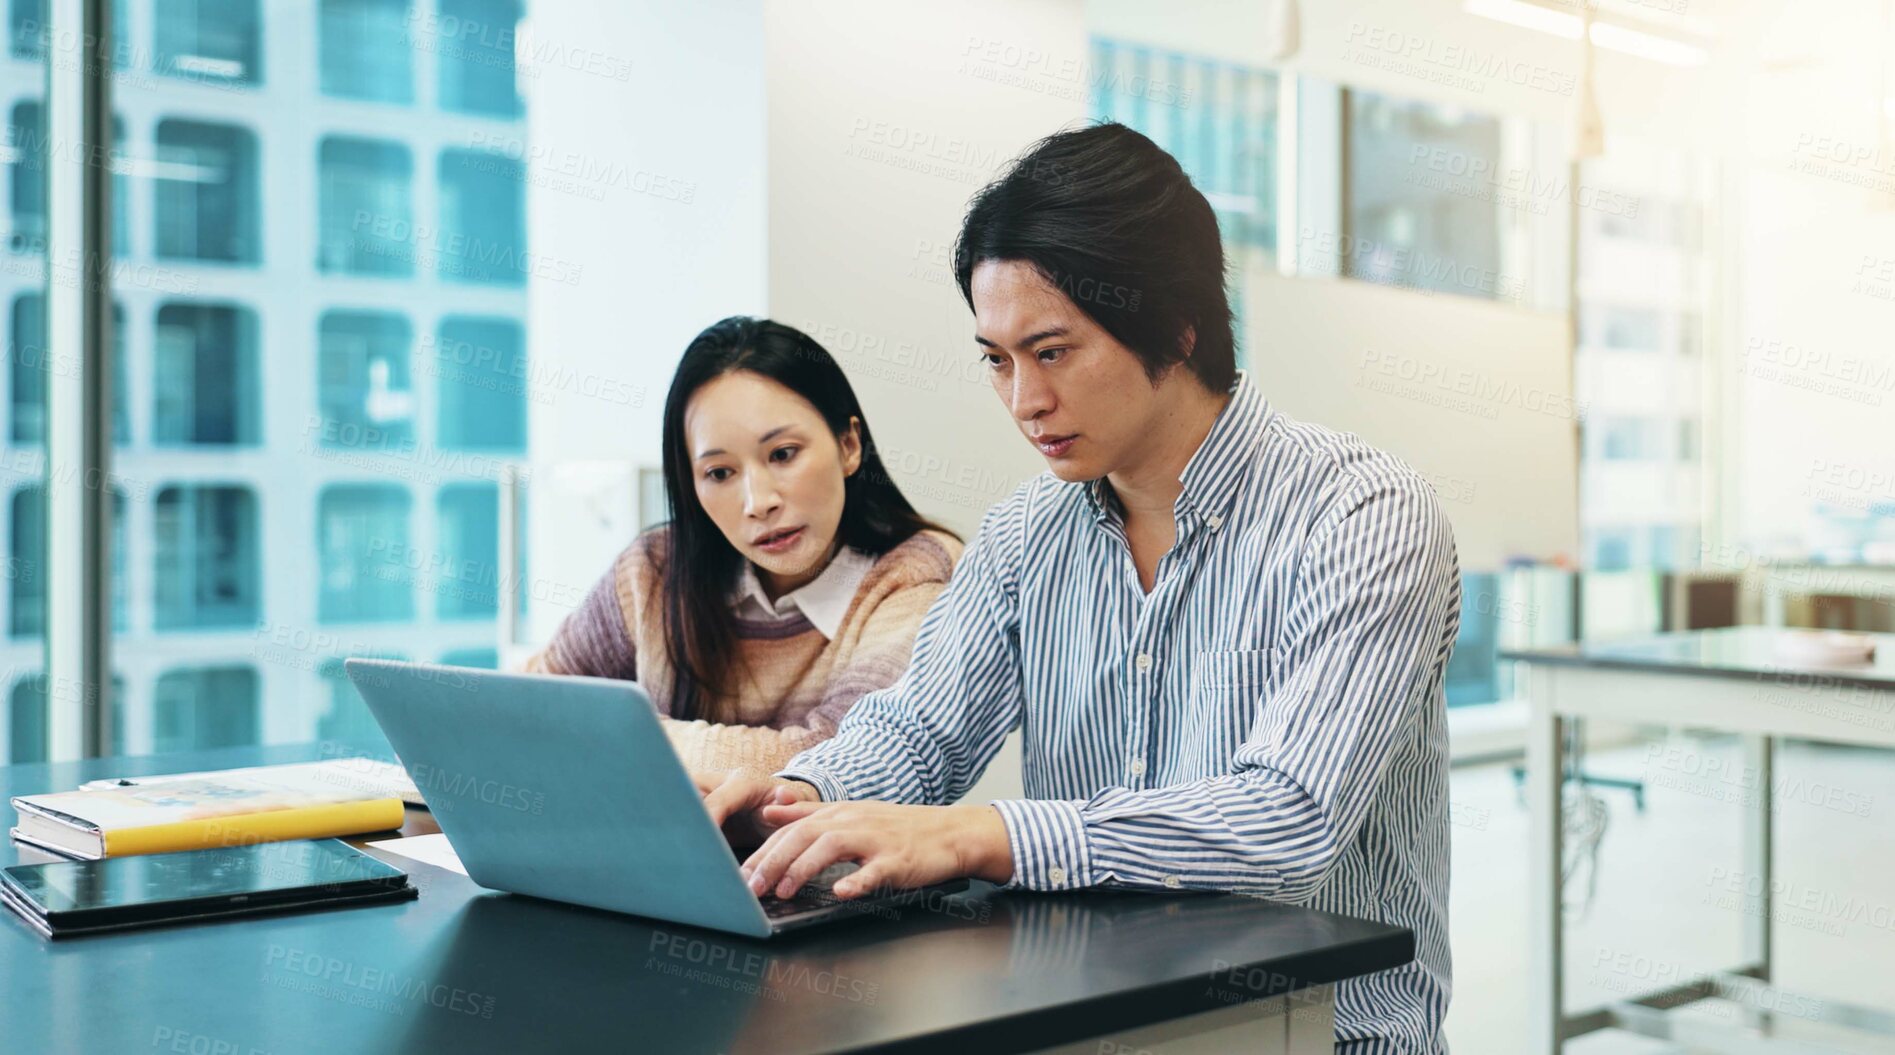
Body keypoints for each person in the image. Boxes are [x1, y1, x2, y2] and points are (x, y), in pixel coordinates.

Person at [702, 125, 1460, 1054]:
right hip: (1090, 1024)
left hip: (1316, 1033)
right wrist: (797, 800)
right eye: (995, 357)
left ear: (1177, 328)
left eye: (1051, 351)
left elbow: (1286, 817)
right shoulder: (1026, 534)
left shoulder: (1362, 515)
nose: (1022, 401)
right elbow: (922, 730)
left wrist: (989, 835)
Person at [520, 316, 962, 777]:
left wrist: (631, 736)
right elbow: (532, 711)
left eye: (783, 454)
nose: (758, 503)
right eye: (720, 473)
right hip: (647, 850)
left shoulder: (915, 573)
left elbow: (841, 764)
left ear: (849, 445)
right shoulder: (655, 569)